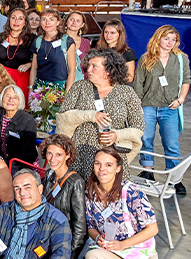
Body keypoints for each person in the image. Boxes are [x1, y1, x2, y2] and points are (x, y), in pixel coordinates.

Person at [69, 146, 159, 259]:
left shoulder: (131, 192)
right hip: (107, 253)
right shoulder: (91, 193)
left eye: (108, 165)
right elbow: (90, 226)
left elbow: (152, 229)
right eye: (98, 164)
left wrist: (123, 244)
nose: (102, 169)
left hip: (136, 255)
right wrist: (97, 238)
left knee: (93, 256)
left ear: (118, 168)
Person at [57, 49, 144, 180]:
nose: (88, 70)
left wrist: (117, 135)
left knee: (108, 196)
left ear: (108, 70)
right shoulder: (79, 87)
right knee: (78, 195)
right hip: (79, 153)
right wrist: (91, 115)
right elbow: (63, 118)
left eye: (94, 66)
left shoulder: (127, 92)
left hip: (110, 157)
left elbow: (138, 127)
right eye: (88, 65)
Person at [130, 25, 189, 195]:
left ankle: (175, 179)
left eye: (173, 39)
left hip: (170, 107)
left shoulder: (180, 58)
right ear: (158, 38)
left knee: (171, 144)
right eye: (166, 38)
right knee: (146, 140)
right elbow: (138, 84)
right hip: (148, 105)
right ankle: (148, 170)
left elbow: (186, 79)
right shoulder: (145, 58)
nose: (170, 42)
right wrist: (138, 105)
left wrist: (181, 99)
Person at [40, 135, 88, 259]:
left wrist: (71, 258)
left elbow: (80, 224)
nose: (53, 159)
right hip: (45, 237)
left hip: (63, 242)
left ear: (68, 155)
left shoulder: (76, 182)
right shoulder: (49, 174)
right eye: (49, 153)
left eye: (58, 155)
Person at [0, 85, 39, 167]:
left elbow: (27, 152)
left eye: (15, 97)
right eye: (7, 96)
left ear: (20, 101)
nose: (10, 100)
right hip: (0, 161)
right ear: (2, 98)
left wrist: (8, 166)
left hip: (21, 163)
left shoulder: (28, 120)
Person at [30, 9, 77, 91]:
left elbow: (72, 70)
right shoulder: (38, 41)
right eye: (44, 19)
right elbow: (34, 69)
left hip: (59, 88)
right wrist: (31, 89)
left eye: (51, 19)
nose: (47, 22)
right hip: (40, 88)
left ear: (58, 22)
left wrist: (67, 93)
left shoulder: (67, 41)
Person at [0, 8, 34, 93]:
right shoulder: (2, 36)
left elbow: (38, 60)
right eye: (13, 18)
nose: (16, 21)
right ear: (9, 21)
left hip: (22, 78)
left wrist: (29, 64)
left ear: (25, 22)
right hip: (4, 78)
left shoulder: (31, 39)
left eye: (20, 18)